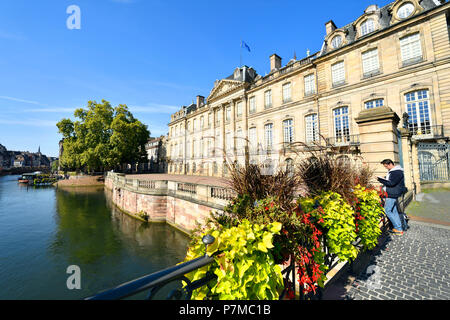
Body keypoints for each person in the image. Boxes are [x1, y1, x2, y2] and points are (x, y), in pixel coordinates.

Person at [377, 159, 407, 236]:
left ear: (390, 164)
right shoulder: (395, 171)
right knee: (394, 211)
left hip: (392, 194)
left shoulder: (396, 172)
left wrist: (380, 180)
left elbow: (391, 183)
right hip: (393, 193)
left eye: (386, 166)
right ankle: (398, 228)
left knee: (387, 210)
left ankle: (398, 228)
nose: (386, 168)